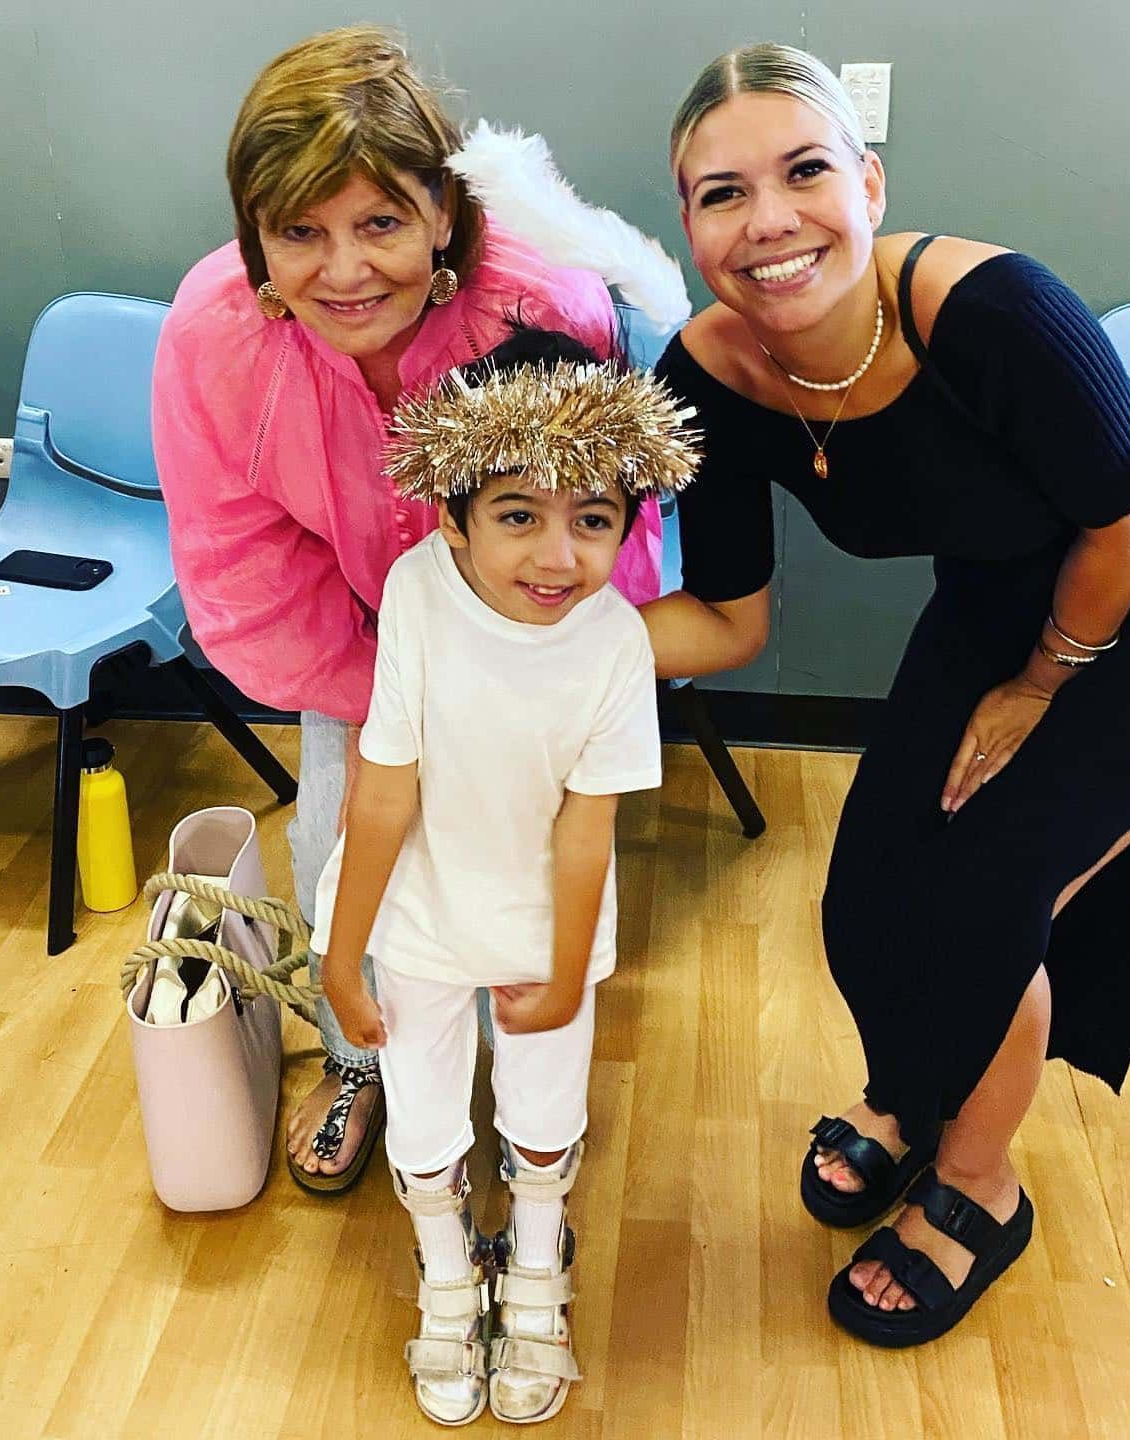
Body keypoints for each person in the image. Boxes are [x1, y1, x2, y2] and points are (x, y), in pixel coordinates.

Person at [645, 42, 1130, 1346]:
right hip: (1012, 578)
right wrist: (511, 638)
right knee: (876, 878)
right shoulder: (703, 378)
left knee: (991, 884)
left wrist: (1046, 682)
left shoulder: (990, 310)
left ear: (868, 184)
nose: (768, 220)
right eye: (722, 193)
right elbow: (728, 619)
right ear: (689, 222)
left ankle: (979, 1185)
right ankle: (916, 1093)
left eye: (805, 170)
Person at [151, 26, 661, 1194]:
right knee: (341, 836)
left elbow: (594, 534)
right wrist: (400, 714)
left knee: (524, 862)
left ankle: (513, 1066)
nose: (344, 271)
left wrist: (504, 694)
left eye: (379, 222)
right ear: (256, 236)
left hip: (527, 648)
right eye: (300, 234)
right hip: (356, 647)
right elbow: (244, 559)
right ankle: (362, 1062)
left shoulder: (544, 314)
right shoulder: (214, 341)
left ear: (442, 210)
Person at [310, 327, 697, 1424]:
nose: (555, 557)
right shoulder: (417, 595)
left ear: (626, 526)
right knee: (426, 1112)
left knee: (541, 1112)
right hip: (418, 916)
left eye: (593, 522)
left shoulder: (617, 640)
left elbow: (589, 828)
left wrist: (570, 975)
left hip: (544, 922)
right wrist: (345, 960)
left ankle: (535, 1266)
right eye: (518, 514)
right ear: (453, 514)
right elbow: (383, 786)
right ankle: (444, 1273)